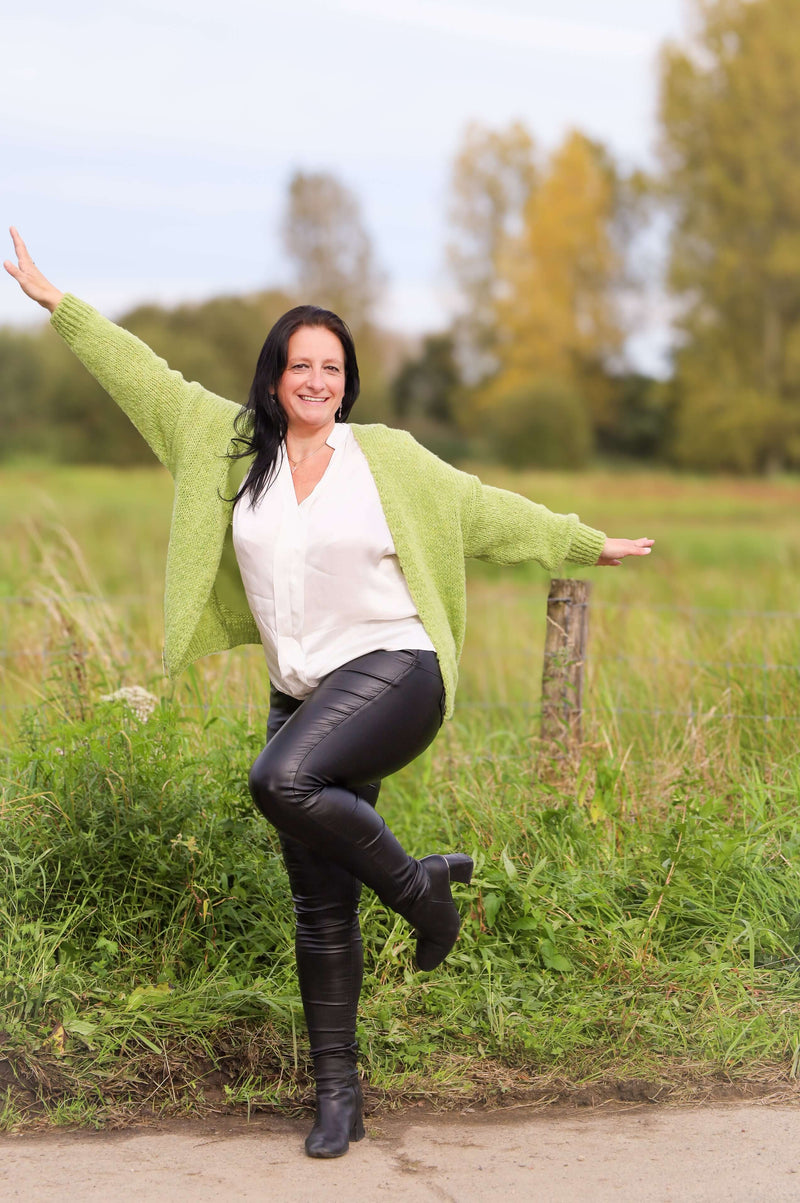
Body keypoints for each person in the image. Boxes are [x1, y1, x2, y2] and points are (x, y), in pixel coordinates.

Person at [4, 227, 653, 1158]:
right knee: (318, 902)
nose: (317, 380)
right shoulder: (228, 448)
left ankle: (426, 893)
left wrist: (589, 543)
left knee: (280, 780)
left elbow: (482, 511)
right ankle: (337, 1094)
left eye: (332, 367)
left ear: (347, 381)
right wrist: (58, 304)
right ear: (274, 377)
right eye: (300, 365)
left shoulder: (384, 458)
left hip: (398, 670)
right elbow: (143, 376)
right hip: (301, 688)